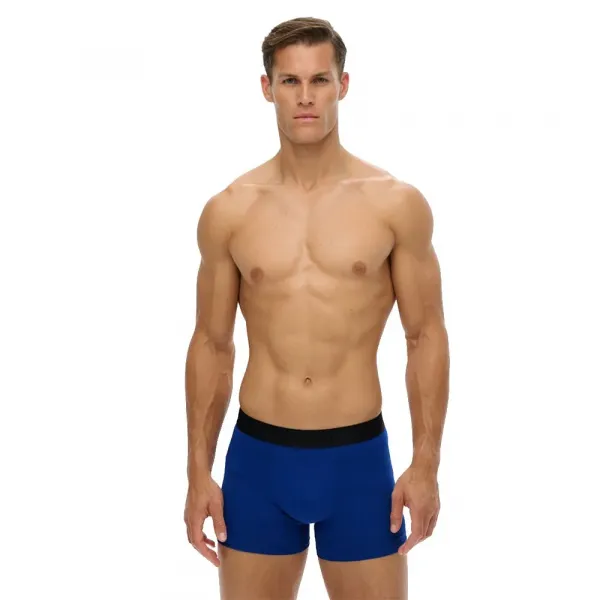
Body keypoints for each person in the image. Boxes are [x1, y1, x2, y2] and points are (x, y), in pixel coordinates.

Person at [183, 16, 449, 600]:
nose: (305, 96)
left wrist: (426, 463)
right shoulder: (230, 211)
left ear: (343, 85)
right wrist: (197, 470)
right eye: (290, 81)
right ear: (267, 88)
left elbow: (425, 336)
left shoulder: (394, 205)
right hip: (259, 461)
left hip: (357, 463)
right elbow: (212, 344)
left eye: (319, 80)